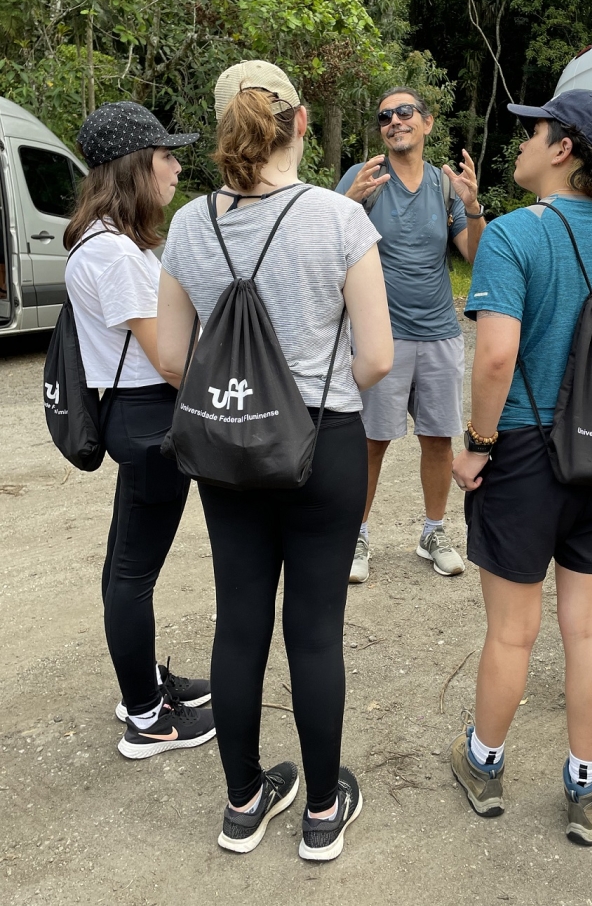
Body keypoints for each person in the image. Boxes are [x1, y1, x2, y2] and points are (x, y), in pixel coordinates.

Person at [157, 61, 393, 860]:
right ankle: (323, 812)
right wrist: (315, 390)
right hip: (321, 443)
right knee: (316, 630)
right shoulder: (336, 219)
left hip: (227, 445)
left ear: (224, 126)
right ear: (296, 123)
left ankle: (242, 802)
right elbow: (379, 356)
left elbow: (168, 355)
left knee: (239, 618)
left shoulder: (190, 225)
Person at [450, 90, 592, 845]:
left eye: (533, 131)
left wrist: (475, 444)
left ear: (563, 148)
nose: (524, 144)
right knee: (589, 626)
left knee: (512, 630)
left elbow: (498, 355)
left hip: (528, 450)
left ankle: (484, 765)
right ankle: (586, 786)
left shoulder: (512, 237)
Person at [65, 101, 214, 759]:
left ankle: (140, 687)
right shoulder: (117, 256)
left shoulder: (100, 242)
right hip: (152, 419)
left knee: (123, 566)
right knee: (133, 574)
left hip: (133, 417)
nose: (178, 167)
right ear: (135, 167)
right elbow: (171, 360)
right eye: (166, 156)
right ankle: (149, 719)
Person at [335, 88, 485, 582]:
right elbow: (325, 249)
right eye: (385, 115)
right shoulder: (363, 180)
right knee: (371, 441)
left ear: (427, 122)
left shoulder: (446, 188)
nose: (394, 121)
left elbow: (475, 258)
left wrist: (475, 207)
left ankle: (433, 531)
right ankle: (355, 536)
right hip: (381, 336)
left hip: (440, 332)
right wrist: (345, 204)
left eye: (405, 112)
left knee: (438, 439)